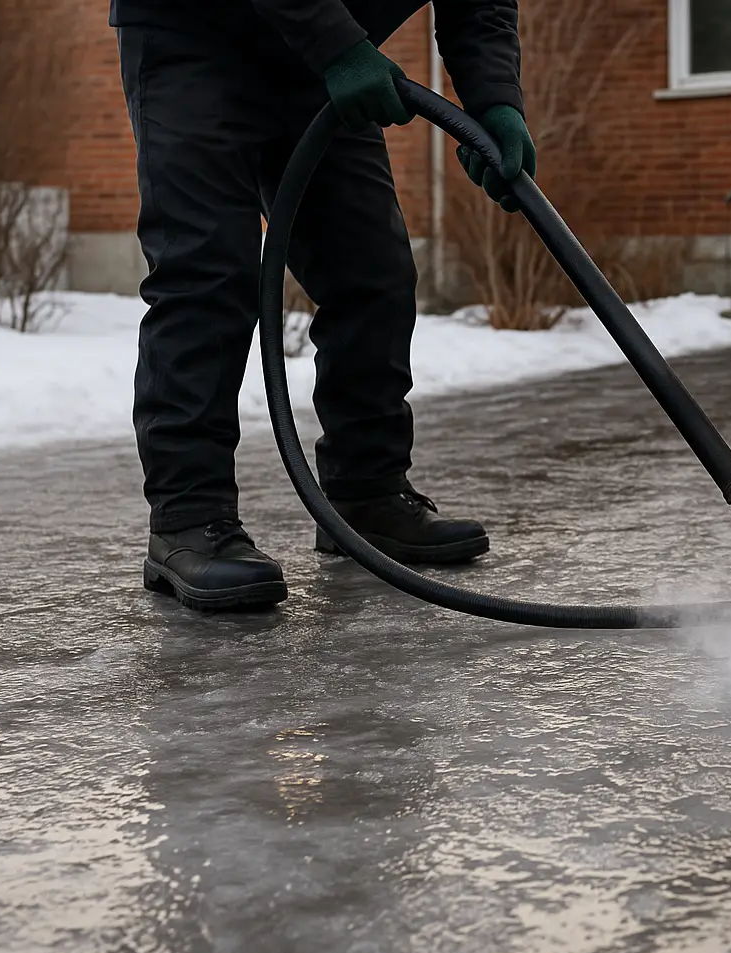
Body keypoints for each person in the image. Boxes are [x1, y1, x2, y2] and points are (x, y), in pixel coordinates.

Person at [108, 0, 535, 612]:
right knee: (207, 273)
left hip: (323, 50)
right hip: (194, 33)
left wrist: (494, 101)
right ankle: (188, 519)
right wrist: (341, 48)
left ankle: (366, 494)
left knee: (371, 269)